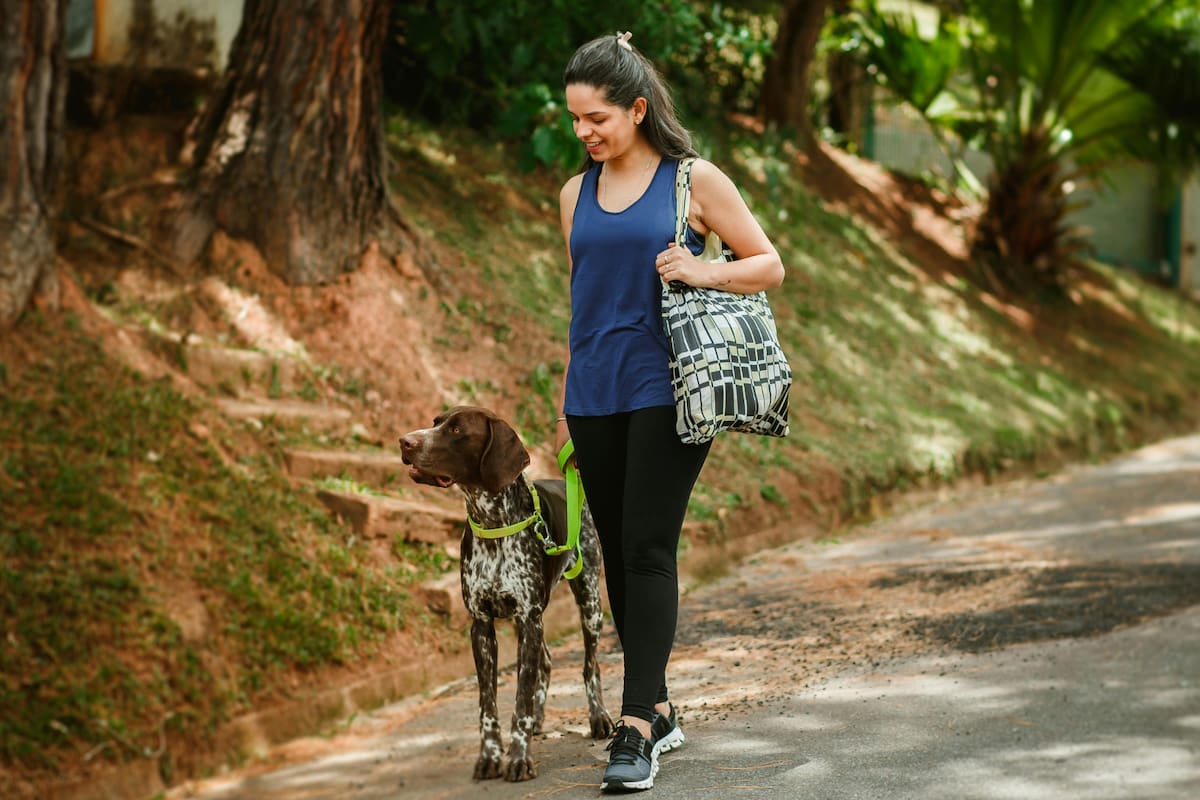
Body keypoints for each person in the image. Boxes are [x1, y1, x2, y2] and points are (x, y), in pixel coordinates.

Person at [554, 31, 784, 792]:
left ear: (638, 109)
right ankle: (659, 703)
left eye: (598, 118)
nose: (585, 133)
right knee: (617, 554)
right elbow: (584, 302)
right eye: (577, 120)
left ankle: (636, 729)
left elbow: (769, 263)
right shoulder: (573, 195)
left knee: (649, 545)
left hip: (669, 386)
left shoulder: (692, 180)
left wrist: (702, 267)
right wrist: (566, 403)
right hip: (594, 391)